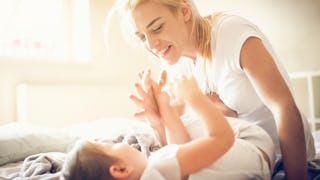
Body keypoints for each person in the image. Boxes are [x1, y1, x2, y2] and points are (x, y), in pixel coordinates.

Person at [113, 0, 316, 179]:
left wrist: (296, 177)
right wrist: (159, 119)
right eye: (141, 37)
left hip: (282, 156)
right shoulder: (173, 63)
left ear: (184, 11)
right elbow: (180, 147)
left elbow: (284, 108)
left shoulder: (232, 34)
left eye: (157, 28)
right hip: (230, 162)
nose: (151, 45)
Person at [62, 73, 275, 180]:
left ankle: (173, 108)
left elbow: (180, 151)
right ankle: (216, 106)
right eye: (109, 147)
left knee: (180, 138)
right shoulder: (160, 163)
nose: (115, 143)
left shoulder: (158, 172)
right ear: (120, 170)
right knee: (190, 122)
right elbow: (223, 139)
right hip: (256, 145)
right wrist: (195, 97)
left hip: (255, 166)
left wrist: (164, 109)